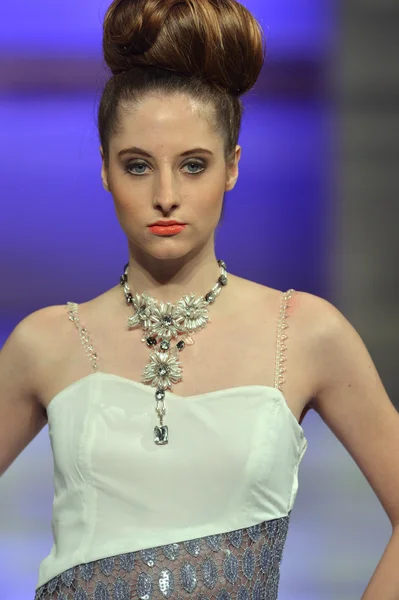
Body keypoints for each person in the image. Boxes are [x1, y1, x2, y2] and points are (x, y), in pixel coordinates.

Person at [1, 0, 398, 598]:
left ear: (232, 167)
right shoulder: (46, 341)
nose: (166, 195)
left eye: (193, 165)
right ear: (105, 170)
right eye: (137, 166)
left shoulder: (306, 332)